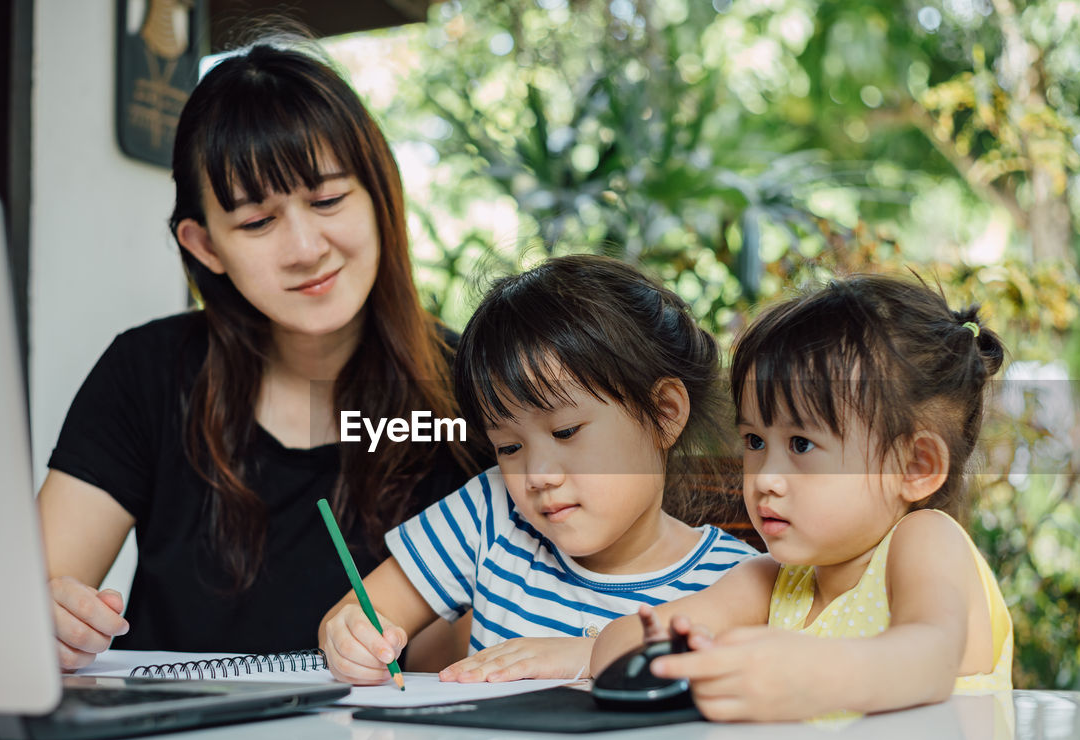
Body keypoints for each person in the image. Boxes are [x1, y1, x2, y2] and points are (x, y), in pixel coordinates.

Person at [41, 39, 478, 671]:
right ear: (205, 245)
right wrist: (50, 620)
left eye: (328, 200)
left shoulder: (467, 395)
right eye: (256, 222)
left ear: (381, 196)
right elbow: (36, 597)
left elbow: (474, 647)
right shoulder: (147, 374)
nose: (305, 247)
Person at [590, 273, 1014, 721]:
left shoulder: (925, 540)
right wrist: (670, 651)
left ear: (915, 468)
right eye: (754, 442)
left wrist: (814, 672)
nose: (765, 479)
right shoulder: (769, 581)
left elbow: (931, 660)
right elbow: (614, 649)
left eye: (801, 445)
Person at [320, 255, 761, 684]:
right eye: (509, 447)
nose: (538, 474)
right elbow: (361, 611)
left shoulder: (737, 582)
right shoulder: (491, 513)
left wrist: (590, 658)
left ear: (665, 412)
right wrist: (351, 639)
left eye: (566, 432)